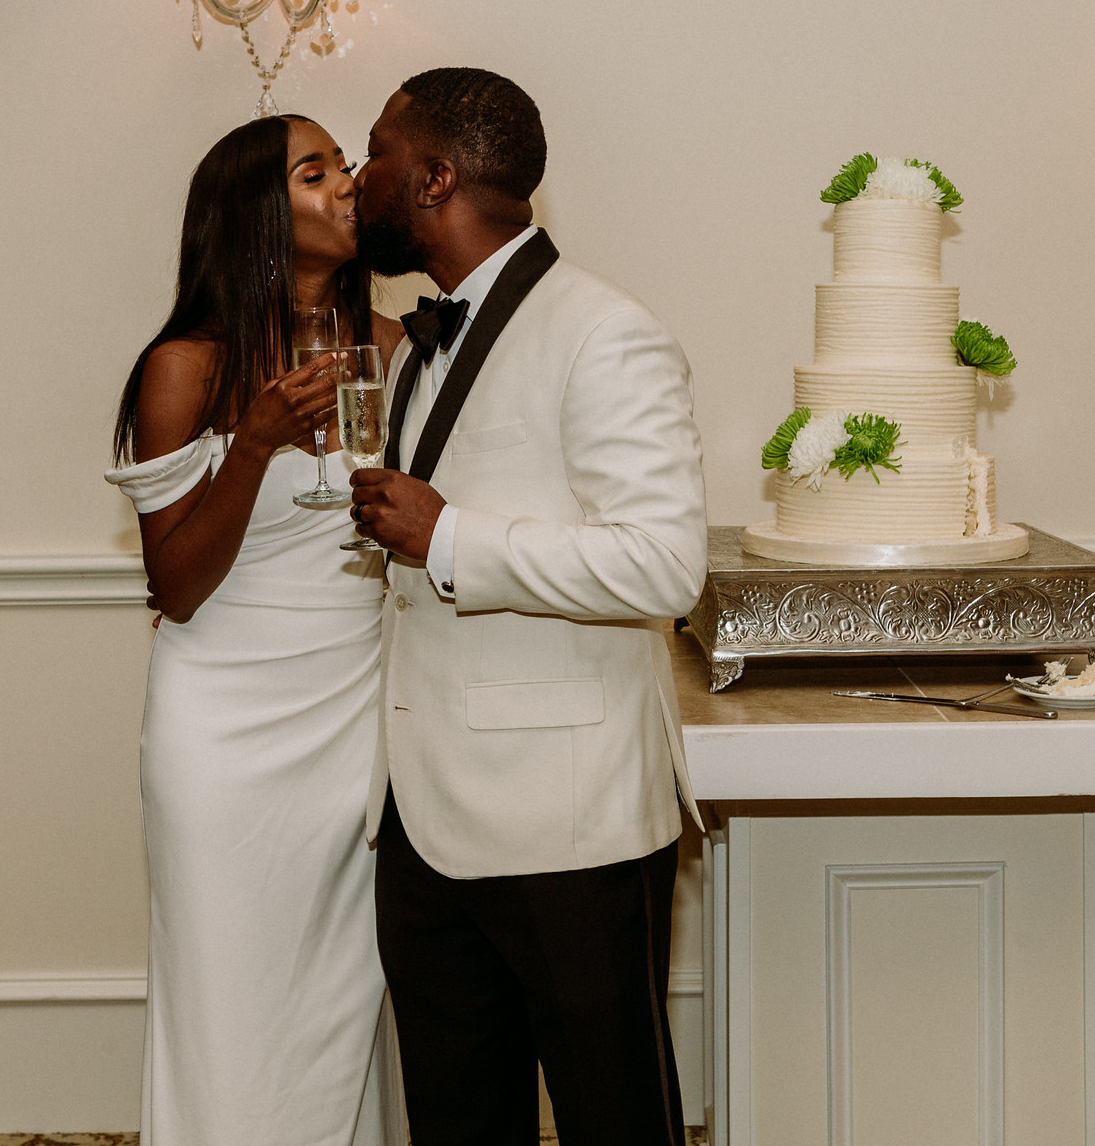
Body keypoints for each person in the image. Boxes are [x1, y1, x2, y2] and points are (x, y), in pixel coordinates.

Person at [345, 68, 708, 1146]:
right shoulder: (418, 350)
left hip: (570, 821)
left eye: (375, 152)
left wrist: (447, 535)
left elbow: (661, 566)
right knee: (456, 1121)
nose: (362, 178)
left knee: (612, 1119)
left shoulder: (605, 333)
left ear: (432, 174)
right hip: (419, 814)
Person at [105, 115, 406, 1146]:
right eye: (313, 173)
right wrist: (254, 446)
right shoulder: (185, 368)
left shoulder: (395, 349)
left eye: (342, 167)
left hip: (351, 717)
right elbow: (175, 586)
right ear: (256, 215)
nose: (347, 185)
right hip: (222, 728)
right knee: (229, 1004)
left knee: (339, 1001)